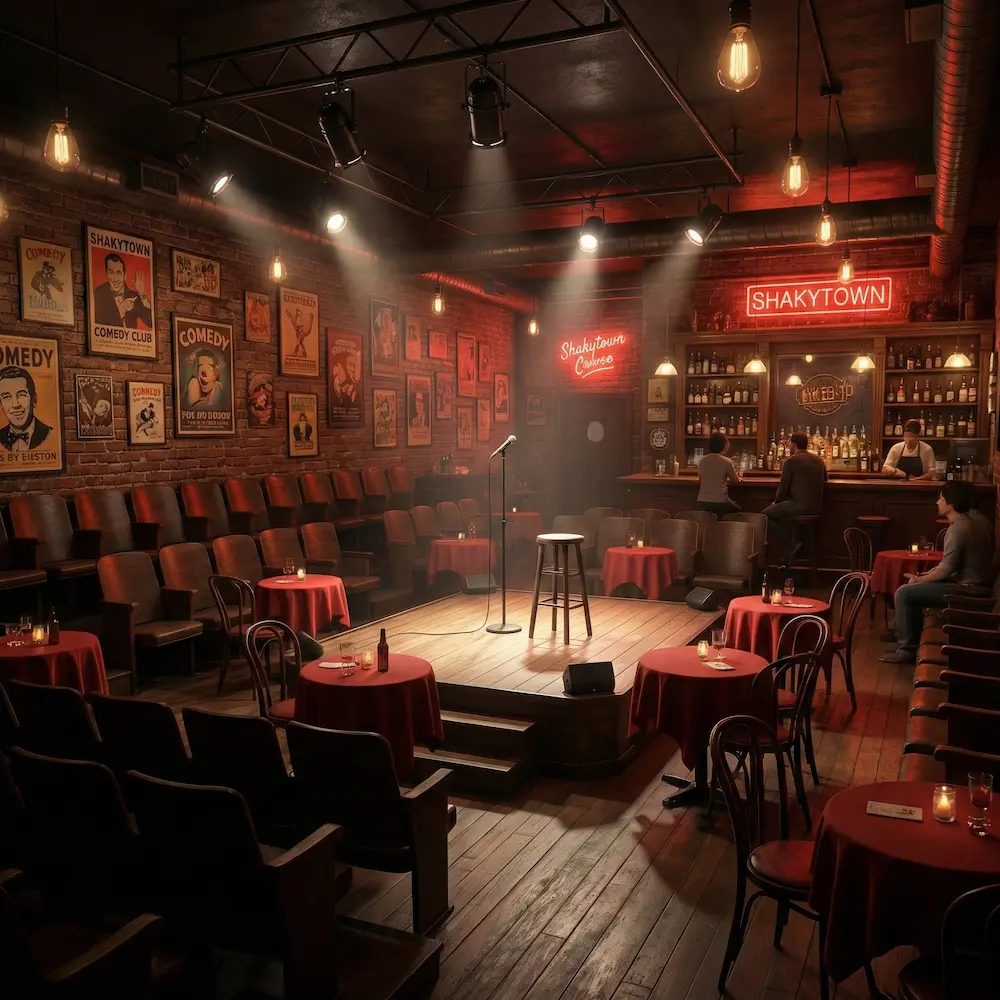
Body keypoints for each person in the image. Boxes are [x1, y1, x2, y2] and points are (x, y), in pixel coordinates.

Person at [879, 481, 993, 663]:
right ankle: (910, 642)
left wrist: (919, 580)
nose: (937, 502)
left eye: (941, 498)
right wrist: (923, 577)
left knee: (903, 593)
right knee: (911, 590)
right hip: (971, 585)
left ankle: (906, 650)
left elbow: (946, 568)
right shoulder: (969, 524)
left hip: (967, 590)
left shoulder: (958, 528)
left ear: (951, 504)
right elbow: (948, 566)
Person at [763, 430, 827, 560]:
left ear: (793, 444)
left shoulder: (791, 461)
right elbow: (825, 479)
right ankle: (797, 542)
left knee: (764, 516)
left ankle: (789, 546)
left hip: (797, 505)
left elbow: (783, 489)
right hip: (816, 507)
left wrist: (776, 502)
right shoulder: (819, 460)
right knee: (784, 517)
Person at [93, 252, 152, 328]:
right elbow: (98, 324)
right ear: (107, 274)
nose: (115, 279)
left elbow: (151, 323)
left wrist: (142, 295)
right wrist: (121, 310)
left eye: (118, 273)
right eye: (111, 273)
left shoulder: (134, 296)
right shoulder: (100, 293)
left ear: (125, 276)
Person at [0, 366, 52, 452]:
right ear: (1, 404)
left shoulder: (49, 434)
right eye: (6, 397)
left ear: (34, 400)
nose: (16, 404)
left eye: (21, 394)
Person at [697, 432, 741, 517]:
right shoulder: (726, 461)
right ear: (724, 446)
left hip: (702, 501)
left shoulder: (702, 461)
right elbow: (735, 481)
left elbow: (701, 479)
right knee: (738, 511)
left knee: (706, 522)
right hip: (719, 502)